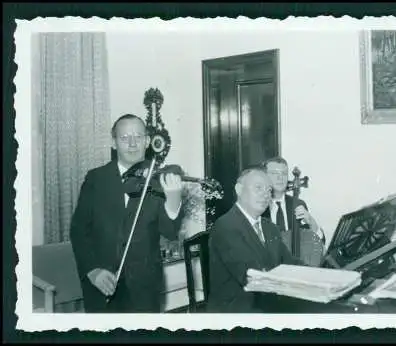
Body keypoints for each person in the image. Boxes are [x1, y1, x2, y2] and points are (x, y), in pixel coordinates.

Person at [69, 114, 183, 313]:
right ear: (113, 143)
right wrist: (92, 270)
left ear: (147, 141)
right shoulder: (96, 179)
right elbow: (78, 230)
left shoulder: (158, 180)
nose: (132, 144)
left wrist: (173, 201)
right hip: (100, 283)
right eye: (124, 138)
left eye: (138, 137)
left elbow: (170, 232)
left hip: (144, 286)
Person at [207, 166, 304, 313]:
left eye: (269, 190)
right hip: (236, 313)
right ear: (239, 190)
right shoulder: (226, 226)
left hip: (265, 303)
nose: (266, 195)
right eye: (258, 188)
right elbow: (253, 275)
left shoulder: (270, 227)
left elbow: (289, 262)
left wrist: (322, 274)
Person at [261, 156, 326, 267]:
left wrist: (311, 221)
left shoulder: (298, 204)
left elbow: (318, 241)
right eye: (274, 173)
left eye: (284, 173)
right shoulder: (259, 207)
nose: (280, 178)